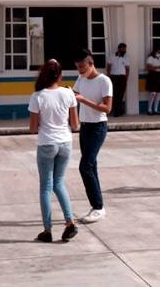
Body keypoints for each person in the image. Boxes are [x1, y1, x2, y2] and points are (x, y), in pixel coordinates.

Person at [28, 59, 79, 243]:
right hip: (65, 142)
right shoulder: (68, 94)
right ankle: (69, 222)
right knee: (59, 183)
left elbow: (33, 128)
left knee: (46, 187)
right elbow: (75, 124)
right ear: (60, 75)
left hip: (46, 143)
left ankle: (47, 230)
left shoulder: (38, 96)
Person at [73, 50, 113, 224]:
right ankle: (98, 206)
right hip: (85, 126)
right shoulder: (81, 79)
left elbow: (107, 108)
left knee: (85, 166)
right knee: (91, 166)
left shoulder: (104, 80)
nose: (80, 71)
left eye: (82, 67)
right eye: (78, 68)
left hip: (98, 127)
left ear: (91, 63)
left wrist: (83, 100)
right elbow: (74, 96)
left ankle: (98, 207)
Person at [106, 43, 129, 117]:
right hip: (113, 77)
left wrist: (126, 79)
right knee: (114, 94)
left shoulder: (126, 57)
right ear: (119, 49)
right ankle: (116, 111)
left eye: (125, 49)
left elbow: (127, 69)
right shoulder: (112, 56)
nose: (124, 50)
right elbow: (109, 67)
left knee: (121, 94)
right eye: (123, 49)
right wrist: (109, 77)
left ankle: (119, 110)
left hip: (122, 77)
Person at [145, 49, 160, 115]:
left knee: (158, 94)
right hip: (152, 75)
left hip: (159, 75)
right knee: (153, 93)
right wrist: (158, 67)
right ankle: (149, 109)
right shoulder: (150, 58)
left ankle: (156, 109)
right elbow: (148, 67)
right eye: (158, 52)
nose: (159, 53)